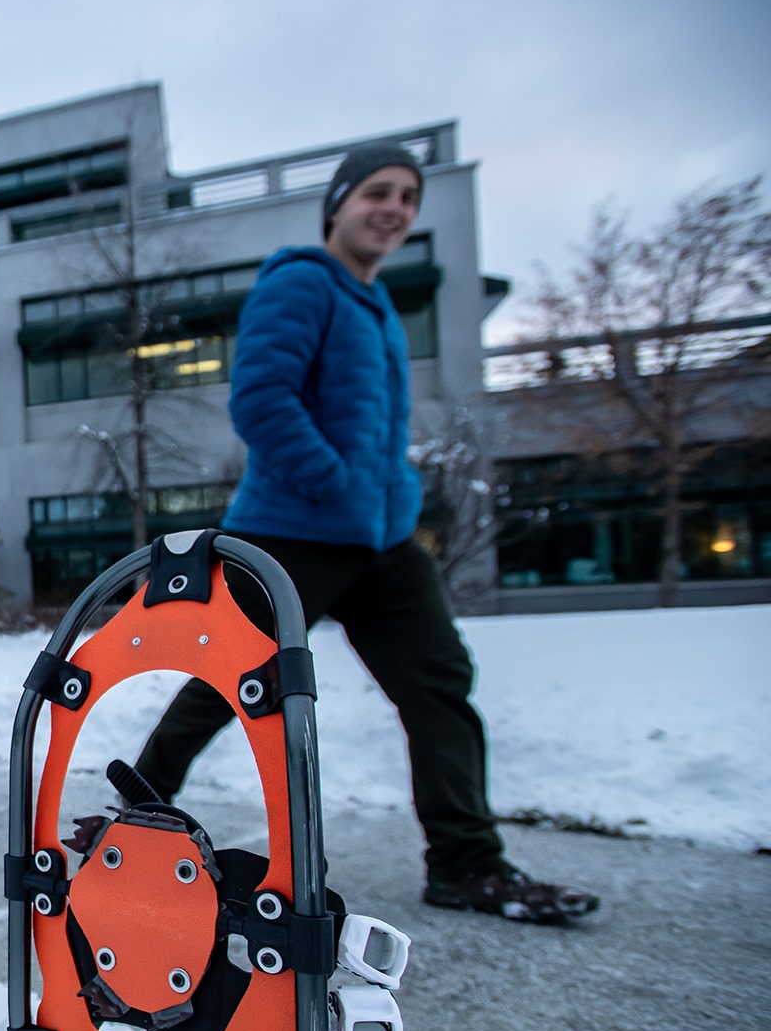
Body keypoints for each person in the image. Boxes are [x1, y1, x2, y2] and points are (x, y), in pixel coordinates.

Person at [132, 142, 599, 924]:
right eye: (377, 192)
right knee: (231, 683)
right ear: (339, 206)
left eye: (408, 198)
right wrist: (336, 483)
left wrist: (390, 491)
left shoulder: (375, 306)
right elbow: (262, 400)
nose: (394, 209)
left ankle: (466, 863)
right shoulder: (301, 283)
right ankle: (135, 816)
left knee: (440, 682)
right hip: (293, 531)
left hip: (382, 542)